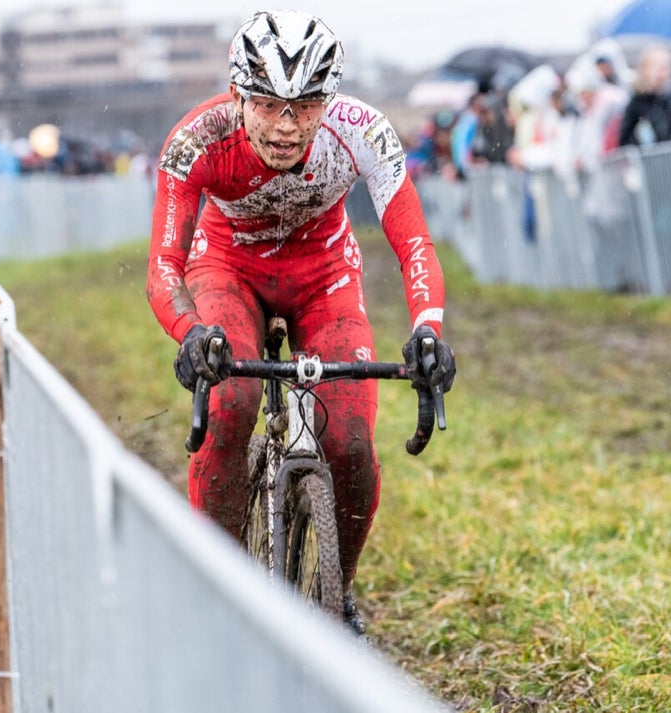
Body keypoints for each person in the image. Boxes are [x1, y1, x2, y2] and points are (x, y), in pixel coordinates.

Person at [145, 10, 456, 637]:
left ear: (329, 99)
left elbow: (415, 244)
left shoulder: (363, 131)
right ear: (238, 95)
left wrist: (428, 329)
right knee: (231, 403)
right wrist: (191, 332)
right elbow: (164, 267)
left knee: (350, 443)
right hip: (227, 268)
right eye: (268, 105)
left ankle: (339, 593)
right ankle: (217, 585)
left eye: (307, 105)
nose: (287, 126)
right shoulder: (196, 140)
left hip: (324, 276)